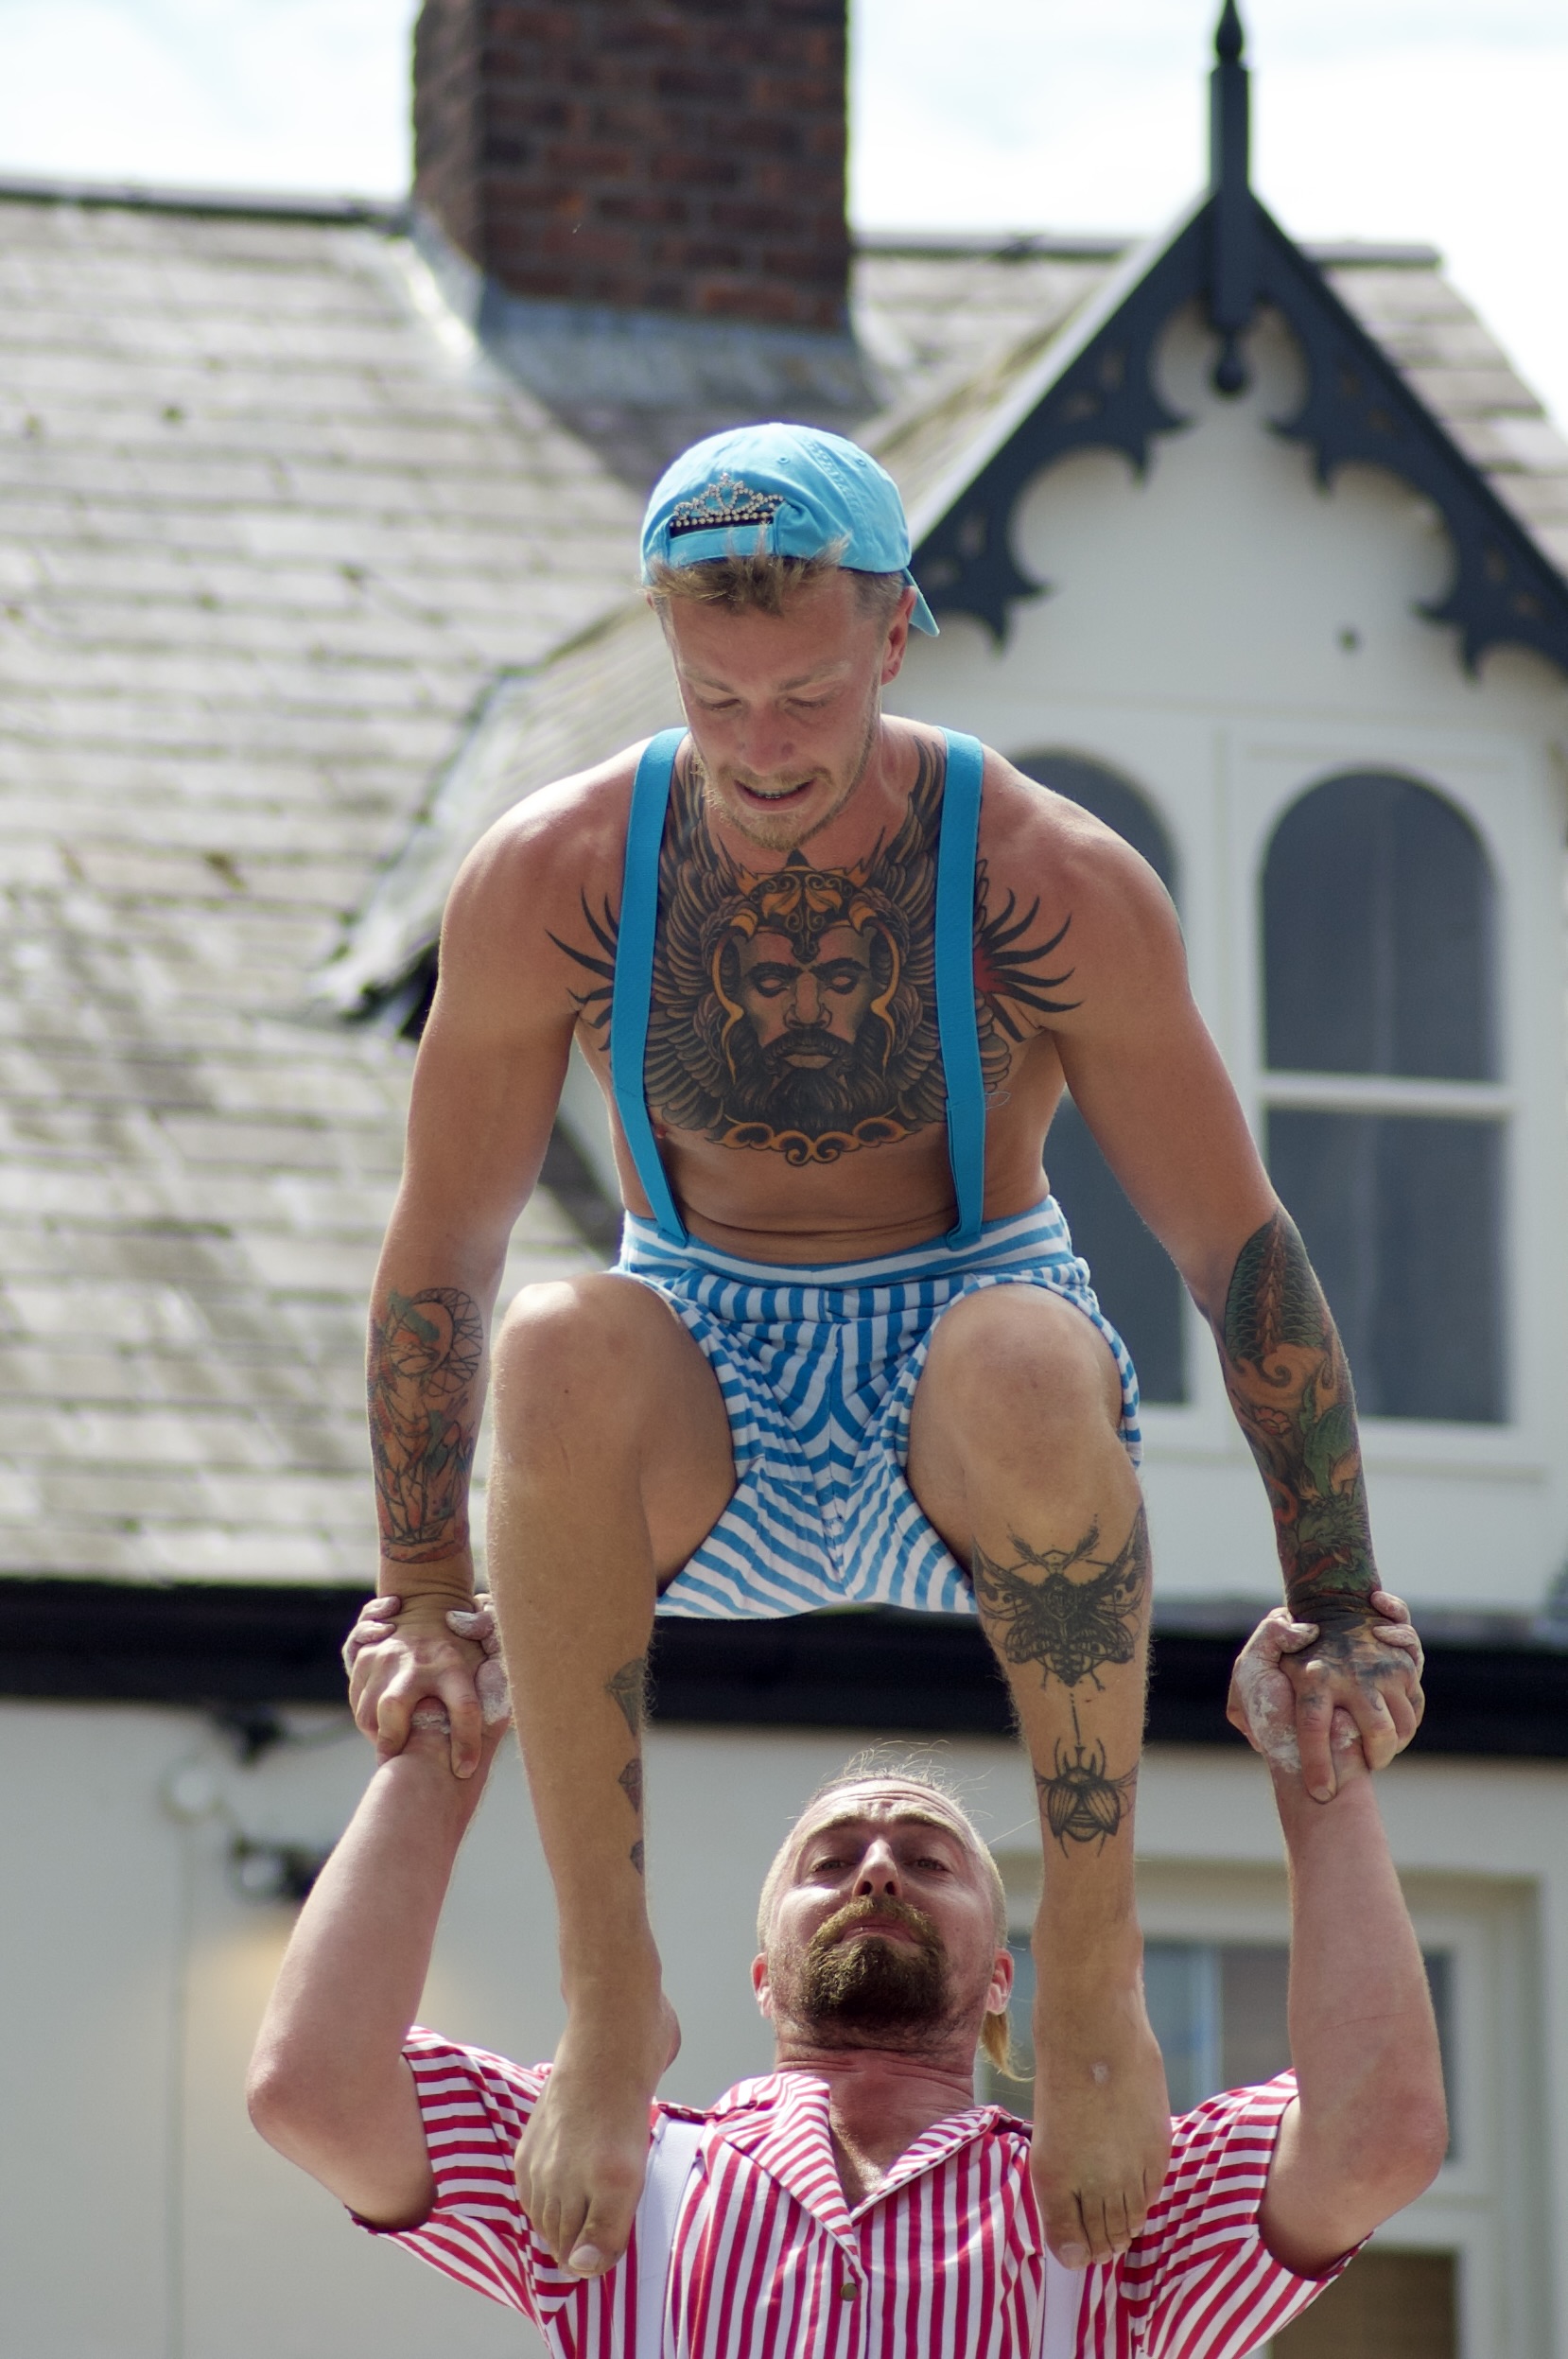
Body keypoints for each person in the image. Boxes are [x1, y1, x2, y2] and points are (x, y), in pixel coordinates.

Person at [346, 422, 1424, 2279]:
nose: (761, 745)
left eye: (803, 694)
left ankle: (1083, 1988)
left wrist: (1338, 1589)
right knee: (549, 1331)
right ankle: (615, 2006)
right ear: (664, 656)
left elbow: (1230, 1240)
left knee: (1021, 1348)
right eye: (716, 697)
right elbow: (439, 1247)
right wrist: (421, 1582)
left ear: (896, 634)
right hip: (702, 1382)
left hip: (967, 1378)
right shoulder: (553, 877)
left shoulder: (1045, 877)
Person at [253, 1598, 1444, 2359]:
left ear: (999, 1981)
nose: (876, 1868)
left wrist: (1317, 1774)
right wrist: (436, 1747)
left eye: (926, 1859)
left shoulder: (1105, 2200)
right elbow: (316, 2086)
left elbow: (1373, 2135)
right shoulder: (612, 2164)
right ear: (766, 1973)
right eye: (830, 1861)